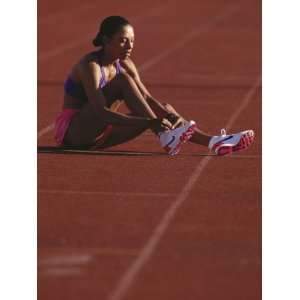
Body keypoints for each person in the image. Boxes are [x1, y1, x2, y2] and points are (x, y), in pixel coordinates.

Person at [54, 16, 254, 156]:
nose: (129, 46)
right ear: (106, 40)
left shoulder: (125, 63)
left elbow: (147, 99)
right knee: (125, 84)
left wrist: (166, 116)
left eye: (132, 41)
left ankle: (214, 143)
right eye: (122, 41)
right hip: (75, 134)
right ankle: (165, 136)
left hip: (101, 135)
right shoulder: (91, 66)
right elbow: (100, 112)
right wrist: (150, 123)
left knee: (164, 108)